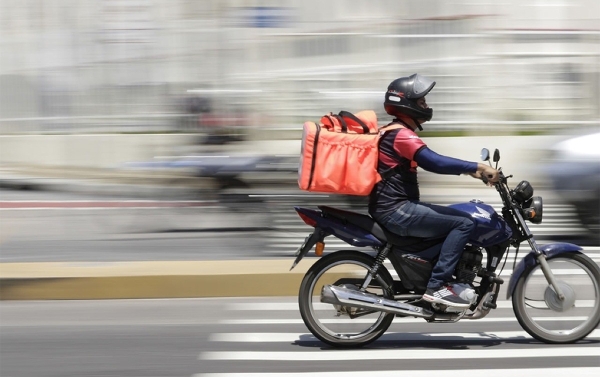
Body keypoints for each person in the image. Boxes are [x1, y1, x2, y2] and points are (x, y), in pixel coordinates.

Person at [368, 73, 499, 308]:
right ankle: (437, 286)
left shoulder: (393, 131)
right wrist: (476, 166)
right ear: (407, 104)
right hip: (396, 210)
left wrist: (471, 172)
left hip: (393, 207)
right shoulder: (401, 135)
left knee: (451, 220)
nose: (426, 106)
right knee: (464, 223)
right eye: (422, 102)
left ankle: (434, 276)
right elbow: (434, 162)